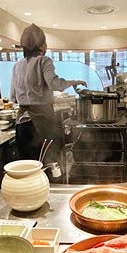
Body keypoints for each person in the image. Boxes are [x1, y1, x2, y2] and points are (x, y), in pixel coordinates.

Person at [9, 24, 86, 162]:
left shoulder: (17, 65)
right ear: (41, 45)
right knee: (49, 163)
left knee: (28, 166)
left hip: (22, 124)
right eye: (45, 42)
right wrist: (74, 82)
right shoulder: (44, 61)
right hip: (42, 124)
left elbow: (13, 97)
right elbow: (55, 83)